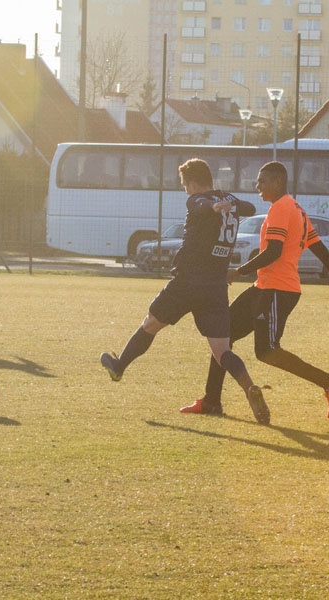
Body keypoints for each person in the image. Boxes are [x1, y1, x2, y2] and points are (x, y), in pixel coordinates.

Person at [181, 161, 329, 420]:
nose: (257, 186)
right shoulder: (296, 210)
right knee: (223, 336)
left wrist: (238, 271)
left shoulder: (281, 208)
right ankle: (212, 401)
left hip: (278, 290)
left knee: (267, 351)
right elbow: (320, 250)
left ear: (277, 182)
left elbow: (274, 252)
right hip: (264, 288)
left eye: (262, 181)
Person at [100, 158, 271, 424]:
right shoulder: (230, 199)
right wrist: (228, 205)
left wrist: (213, 206)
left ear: (192, 183)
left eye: (185, 186)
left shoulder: (197, 200)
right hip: (215, 287)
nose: (186, 191)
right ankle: (249, 386)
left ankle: (119, 366)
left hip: (187, 282)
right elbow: (250, 207)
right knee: (222, 351)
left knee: (151, 324)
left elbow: (201, 205)